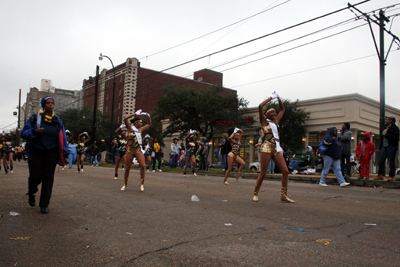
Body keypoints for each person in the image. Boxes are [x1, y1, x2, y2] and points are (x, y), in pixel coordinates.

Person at [21, 96, 70, 214]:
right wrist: (34, 131)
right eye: (48, 103)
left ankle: (44, 204)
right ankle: (32, 191)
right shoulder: (35, 119)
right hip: (36, 151)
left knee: (48, 178)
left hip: (51, 152)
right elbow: (24, 133)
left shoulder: (57, 120)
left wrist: (65, 154)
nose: (50, 104)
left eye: (52, 103)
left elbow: (62, 137)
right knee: (35, 175)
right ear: (43, 105)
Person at [253, 91, 294, 202]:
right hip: (266, 147)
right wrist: (271, 97)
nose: (275, 113)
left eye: (275, 112)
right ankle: (256, 193)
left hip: (276, 147)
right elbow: (260, 106)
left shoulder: (276, 121)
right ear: (267, 114)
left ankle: (283, 195)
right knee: (263, 172)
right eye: (272, 112)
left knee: (285, 171)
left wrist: (279, 99)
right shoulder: (264, 121)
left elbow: (283, 110)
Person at [121, 109, 151, 191]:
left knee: (143, 165)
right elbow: (125, 118)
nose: (141, 123)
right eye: (140, 122)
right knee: (127, 168)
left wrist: (148, 116)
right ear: (136, 123)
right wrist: (134, 114)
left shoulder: (140, 129)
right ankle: (125, 183)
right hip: (130, 150)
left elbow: (149, 124)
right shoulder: (130, 128)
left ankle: (141, 183)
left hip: (138, 149)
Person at [375, 115, 399, 181]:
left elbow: (396, 137)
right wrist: (380, 146)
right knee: (381, 160)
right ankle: (380, 174)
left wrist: (386, 135)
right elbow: (382, 138)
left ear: (391, 120)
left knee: (391, 161)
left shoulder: (395, 128)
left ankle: (391, 175)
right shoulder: (385, 128)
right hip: (384, 146)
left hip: (391, 146)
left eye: (387, 119)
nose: (386, 121)